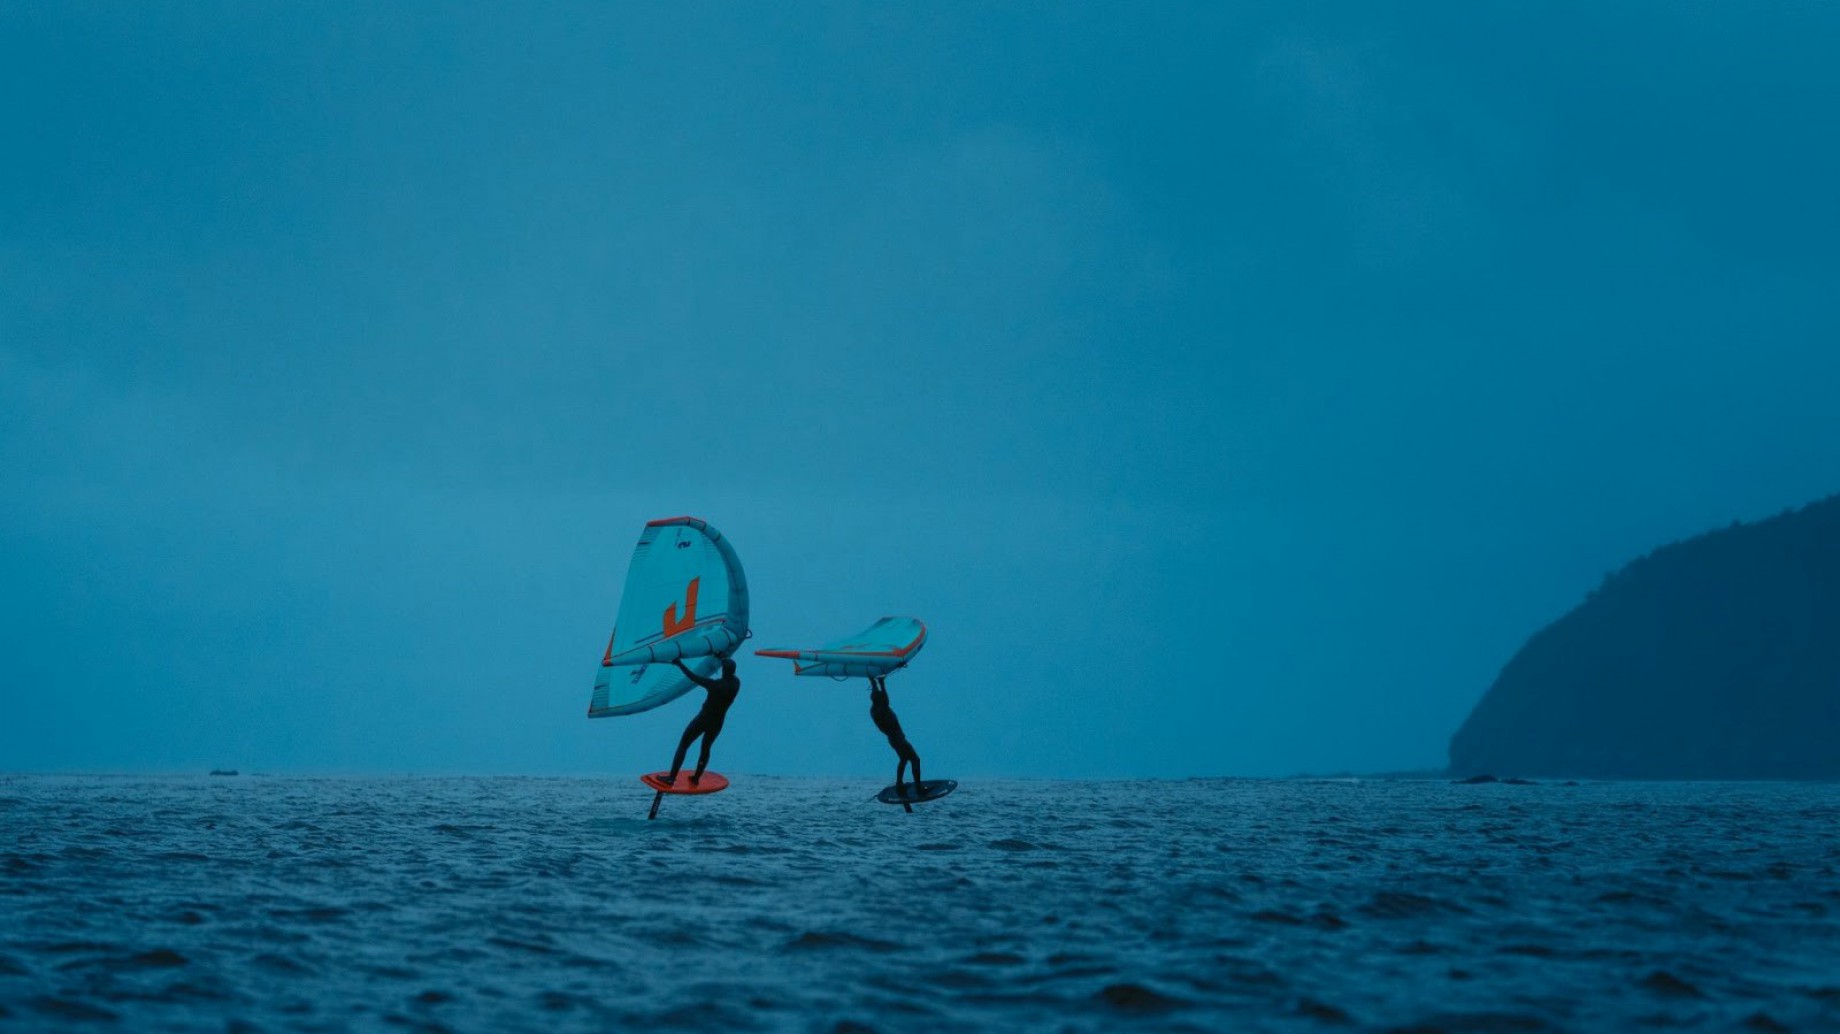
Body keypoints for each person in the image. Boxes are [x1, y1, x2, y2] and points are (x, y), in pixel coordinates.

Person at [664, 655, 740, 786]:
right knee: (705, 748)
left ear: (724, 670)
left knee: (684, 744)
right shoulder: (736, 684)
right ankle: (696, 778)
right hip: (717, 722)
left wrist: (680, 664)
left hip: (704, 719)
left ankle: (671, 778)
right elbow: (727, 666)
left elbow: (694, 678)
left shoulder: (715, 685)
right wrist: (720, 656)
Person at [868, 675, 923, 795]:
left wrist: (873, 682)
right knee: (915, 759)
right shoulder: (882, 709)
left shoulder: (874, 709)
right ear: (879, 700)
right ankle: (918, 788)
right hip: (898, 739)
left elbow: (878, 695)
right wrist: (881, 683)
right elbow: (885, 698)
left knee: (903, 759)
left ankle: (899, 784)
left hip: (893, 739)